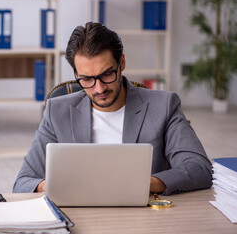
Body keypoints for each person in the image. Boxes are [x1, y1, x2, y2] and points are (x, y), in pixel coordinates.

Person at [13, 22, 212, 195]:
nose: (99, 88)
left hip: (144, 216)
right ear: (76, 74)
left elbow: (199, 168)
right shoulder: (57, 111)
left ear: (121, 63)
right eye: (87, 79)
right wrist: (52, 186)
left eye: (107, 74)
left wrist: (144, 183)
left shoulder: (164, 105)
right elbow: (23, 181)